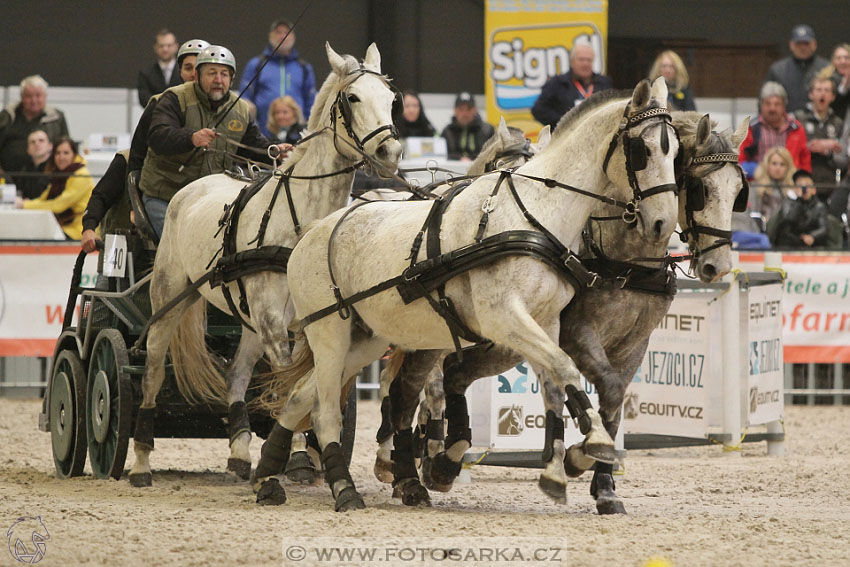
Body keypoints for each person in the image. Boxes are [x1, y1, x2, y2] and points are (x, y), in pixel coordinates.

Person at [139, 45, 290, 236]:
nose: (218, 80)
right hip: (166, 196)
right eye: (212, 73)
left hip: (210, 199)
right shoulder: (175, 98)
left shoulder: (241, 109)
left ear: (231, 78)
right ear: (197, 75)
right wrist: (191, 138)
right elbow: (157, 136)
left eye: (224, 74)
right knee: (180, 246)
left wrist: (275, 151)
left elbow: (253, 145)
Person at [240, 18, 317, 137]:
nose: (282, 36)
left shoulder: (304, 68)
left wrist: (308, 130)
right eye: (278, 32)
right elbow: (244, 100)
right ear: (270, 36)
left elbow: (311, 103)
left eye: (287, 32)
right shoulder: (256, 65)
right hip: (262, 136)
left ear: (293, 37)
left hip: (297, 138)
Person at [15, 137, 94, 240]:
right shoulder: (60, 175)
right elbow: (44, 198)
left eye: (66, 153)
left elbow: (59, 205)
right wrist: (26, 203)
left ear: (74, 155)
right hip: (62, 226)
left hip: (79, 230)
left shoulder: (81, 174)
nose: (61, 157)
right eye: (57, 153)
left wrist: (25, 205)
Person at [0, 75, 69, 183]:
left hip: (49, 181)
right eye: (29, 96)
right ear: (21, 97)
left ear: (45, 96)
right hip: (7, 180)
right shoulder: (7, 116)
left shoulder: (56, 117)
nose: (34, 100)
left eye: (38, 95)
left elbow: (67, 150)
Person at [531, 43, 613, 130]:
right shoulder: (557, 83)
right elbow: (538, 110)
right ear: (572, 62)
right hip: (565, 137)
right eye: (581, 59)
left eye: (589, 60)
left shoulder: (603, 84)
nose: (585, 63)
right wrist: (564, 122)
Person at [739, 81, 811, 177]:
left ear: (784, 106)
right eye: (768, 104)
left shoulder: (796, 128)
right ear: (761, 105)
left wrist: (804, 178)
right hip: (758, 183)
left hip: (789, 183)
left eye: (777, 104)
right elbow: (739, 160)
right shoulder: (751, 128)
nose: (772, 108)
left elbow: (804, 159)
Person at [794, 77, 846, 197]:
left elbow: (843, 160)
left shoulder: (838, 123)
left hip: (829, 185)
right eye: (818, 90)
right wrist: (810, 146)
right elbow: (790, 150)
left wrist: (829, 152)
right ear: (811, 94)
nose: (822, 93)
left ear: (833, 96)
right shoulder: (798, 119)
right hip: (802, 182)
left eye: (827, 90)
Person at [764, 25, 829, 113]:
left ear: (814, 45)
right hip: (786, 124)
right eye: (798, 43)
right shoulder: (778, 70)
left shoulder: (826, 68)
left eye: (806, 43)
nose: (802, 47)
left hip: (819, 123)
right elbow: (765, 98)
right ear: (791, 45)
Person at [772, 169, 831, 249]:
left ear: (814, 190)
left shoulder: (819, 206)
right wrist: (799, 201)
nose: (804, 188)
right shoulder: (788, 203)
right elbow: (788, 221)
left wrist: (812, 236)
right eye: (800, 185)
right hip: (791, 240)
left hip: (810, 240)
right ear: (795, 189)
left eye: (807, 185)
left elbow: (824, 228)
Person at [441, 92, 495, 161]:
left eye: (469, 109)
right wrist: (459, 159)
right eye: (461, 109)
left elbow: (492, 154)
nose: (465, 113)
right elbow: (441, 155)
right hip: (452, 170)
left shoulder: (487, 131)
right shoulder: (447, 132)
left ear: (475, 110)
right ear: (455, 110)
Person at [137, 29, 181, 107]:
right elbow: (144, 100)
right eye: (161, 46)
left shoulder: (183, 71)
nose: (165, 49)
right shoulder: (146, 73)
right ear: (155, 48)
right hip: (154, 116)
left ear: (176, 47)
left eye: (169, 45)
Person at [752, 146, 796, 223]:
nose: (777, 168)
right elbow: (752, 215)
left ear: (788, 167)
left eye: (782, 164)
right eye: (774, 163)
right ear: (767, 165)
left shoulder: (794, 189)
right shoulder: (756, 187)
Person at [818, 44, 850, 127]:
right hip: (834, 124)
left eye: (846, 58)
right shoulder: (827, 78)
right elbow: (828, 102)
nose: (843, 61)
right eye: (839, 58)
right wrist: (844, 85)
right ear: (833, 61)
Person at [17, 129, 53, 199]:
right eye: (32, 142)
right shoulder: (24, 171)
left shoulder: (56, 168)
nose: (37, 144)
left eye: (41, 140)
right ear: (28, 150)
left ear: (50, 146)